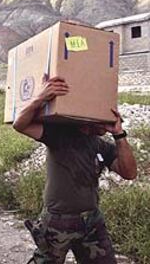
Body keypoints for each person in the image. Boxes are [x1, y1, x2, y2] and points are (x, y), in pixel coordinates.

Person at [12, 76, 137, 264]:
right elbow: (20, 124)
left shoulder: (102, 146)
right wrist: (41, 98)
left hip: (91, 221)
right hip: (57, 222)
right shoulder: (59, 135)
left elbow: (129, 173)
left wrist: (119, 134)